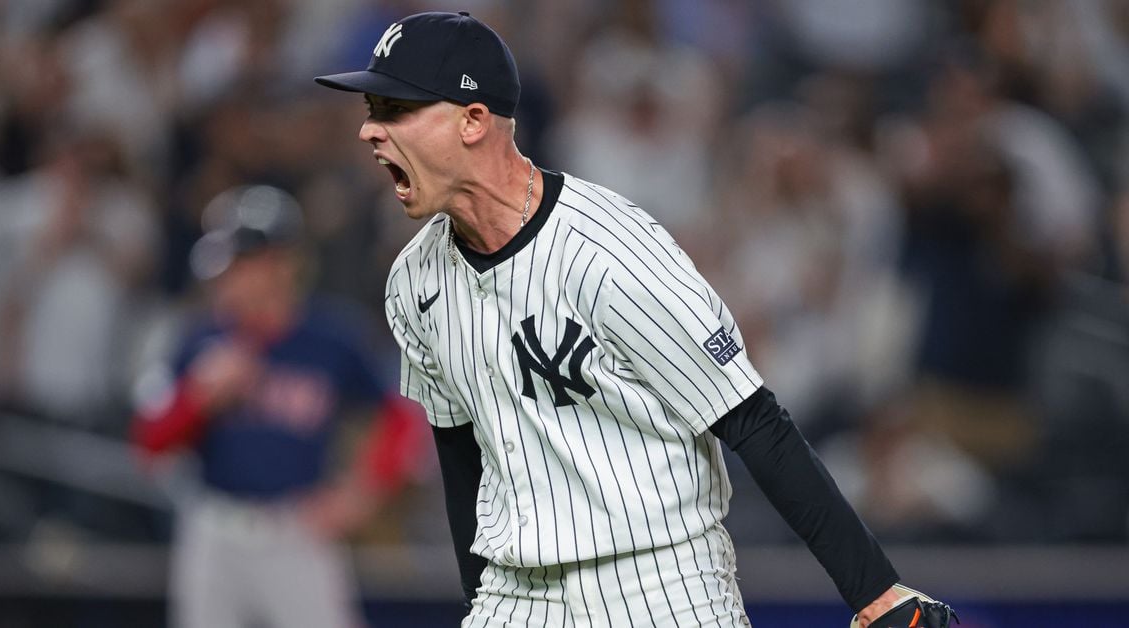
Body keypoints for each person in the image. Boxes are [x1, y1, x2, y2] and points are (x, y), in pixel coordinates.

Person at [316, 11, 929, 627]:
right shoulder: (413, 280)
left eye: (394, 110)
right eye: (372, 110)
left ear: (473, 120)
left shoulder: (609, 248)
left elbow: (752, 420)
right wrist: (480, 603)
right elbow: (460, 458)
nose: (369, 131)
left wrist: (876, 591)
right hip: (514, 593)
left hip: (658, 585)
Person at [131, 184, 423, 628]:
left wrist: (359, 495)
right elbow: (148, 442)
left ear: (282, 264)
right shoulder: (201, 339)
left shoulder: (331, 340)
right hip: (214, 530)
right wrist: (198, 399)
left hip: (295, 531)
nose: (225, 281)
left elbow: (404, 418)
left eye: (240, 266)